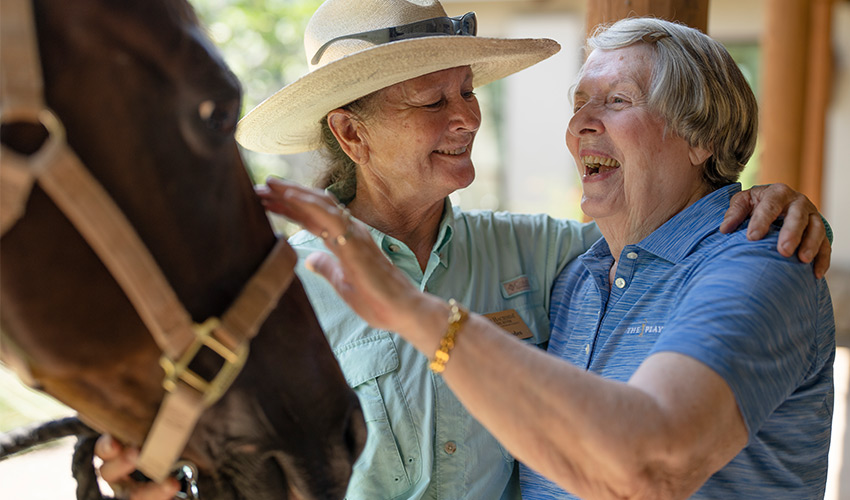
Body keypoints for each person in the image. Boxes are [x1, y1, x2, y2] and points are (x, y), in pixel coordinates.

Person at [95, 1, 833, 499]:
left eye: (465, 91)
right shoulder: (279, 288)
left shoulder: (552, 256)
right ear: (351, 135)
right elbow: (246, 464)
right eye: (430, 101)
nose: (465, 118)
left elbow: (679, 237)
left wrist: (781, 207)